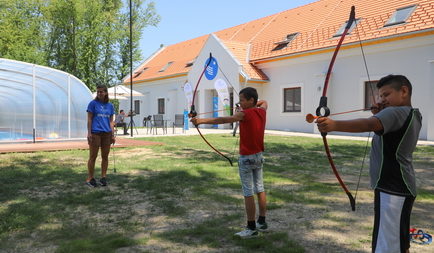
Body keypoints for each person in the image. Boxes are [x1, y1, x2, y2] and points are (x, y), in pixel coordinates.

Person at [316, 74, 422, 253]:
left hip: (392, 188)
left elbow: (368, 124)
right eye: (380, 96)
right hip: (400, 186)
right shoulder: (412, 113)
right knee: (397, 241)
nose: (382, 99)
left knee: (387, 245)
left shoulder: (394, 112)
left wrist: (334, 125)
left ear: (404, 91)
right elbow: (383, 129)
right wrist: (379, 114)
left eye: (386, 94)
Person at [191, 87, 268, 238]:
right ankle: (262, 222)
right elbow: (264, 102)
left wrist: (201, 120)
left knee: (248, 192)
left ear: (251, 100)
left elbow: (224, 120)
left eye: (242, 100)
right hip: (259, 156)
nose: (239, 103)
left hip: (247, 158)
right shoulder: (262, 111)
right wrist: (250, 105)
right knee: (260, 188)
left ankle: (251, 228)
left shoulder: (244, 114)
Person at [86, 84, 116, 187]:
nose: (99, 93)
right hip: (95, 133)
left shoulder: (110, 106)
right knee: (93, 156)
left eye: (101, 91)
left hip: (107, 134)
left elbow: (111, 121)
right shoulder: (92, 104)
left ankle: (103, 177)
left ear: (106, 93)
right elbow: (89, 119)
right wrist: (89, 133)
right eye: (98, 91)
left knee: (105, 156)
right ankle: (90, 178)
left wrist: (112, 134)